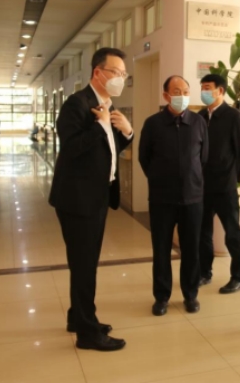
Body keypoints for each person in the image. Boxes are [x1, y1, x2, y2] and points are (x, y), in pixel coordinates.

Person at [49, 47, 133, 352]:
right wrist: (100, 125)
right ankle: (87, 332)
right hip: (78, 199)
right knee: (84, 265)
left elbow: (106, 149)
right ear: (98, 73)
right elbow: (72, 148)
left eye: (124, 74)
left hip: (96, 196)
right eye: (116, 72)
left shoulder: (106, 106)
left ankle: (78, 317)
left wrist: (126, 132)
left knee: (85, 262)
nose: (121, 78)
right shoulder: (77, 104)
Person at [139, 75, 208, 317]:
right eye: (176, 92)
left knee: (191, 249)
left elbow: (203, 158)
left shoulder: (198, 122)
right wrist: (160, 180)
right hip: (162, 199)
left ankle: (191, 294)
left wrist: (191, 179)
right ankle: (161, 297)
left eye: (185, 91)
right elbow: (144, 158)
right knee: (161, 250)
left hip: (193, 198)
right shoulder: (153, 124)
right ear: (166, 95)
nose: (182, 96)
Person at [198, 73, 240, 293]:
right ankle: (204, 272)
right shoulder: (200, 116)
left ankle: (239, 276)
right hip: (202, 186)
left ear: (220, 90)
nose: (204, 92)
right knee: (202, 232)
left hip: (225, 187)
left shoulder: (234, 116)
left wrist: (232, 177)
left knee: (232, 232)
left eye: (208, 87)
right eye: (202, 87)